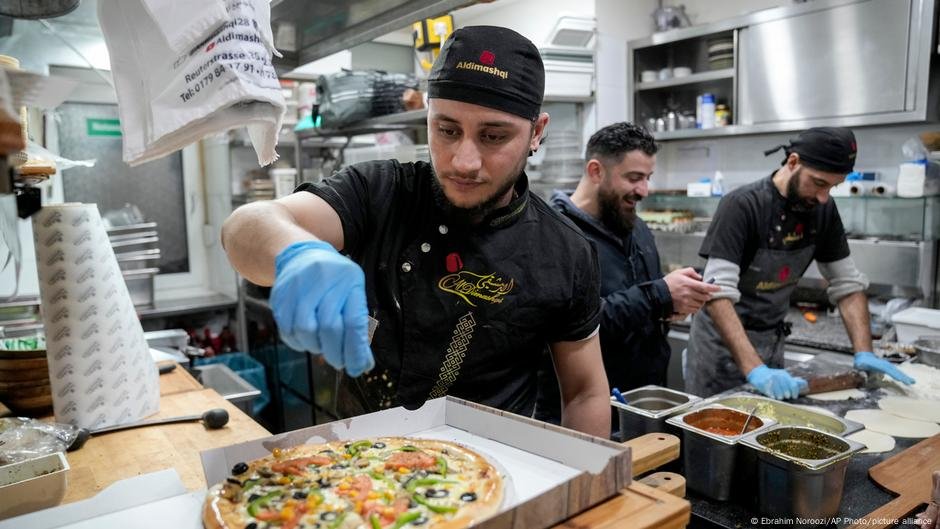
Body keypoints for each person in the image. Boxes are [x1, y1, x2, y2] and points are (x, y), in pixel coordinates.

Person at [221, 26, 610, 437]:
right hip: (363, 469)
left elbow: (585, 392)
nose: (463, 160)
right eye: (447, 130)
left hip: (493, 474)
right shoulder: (381, 193)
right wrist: (296, 252)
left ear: (537, 132)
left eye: (493, 136)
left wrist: (591, 486)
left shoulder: (566, 252)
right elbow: (246, 227)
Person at [685, 127, 916, 399]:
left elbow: (847, 285)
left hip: (771, 344)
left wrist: (864, 350)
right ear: (793, 162)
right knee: (716, 435)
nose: (823, 197)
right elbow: (717, 293)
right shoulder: (743, 205)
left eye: (833, 187)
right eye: (819, 183)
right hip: (721, 350)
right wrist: (756, 370)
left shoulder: (823, 210)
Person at [535, 122, 719, 428]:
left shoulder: (635, 225)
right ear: (596, 171)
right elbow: (568, 328)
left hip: (642, 408)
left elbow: (639, 300)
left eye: (648, 178)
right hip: (583, 417)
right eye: (634, 178)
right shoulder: (554, 236)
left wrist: (672, 305)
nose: (644, 190)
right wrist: (659, 294)